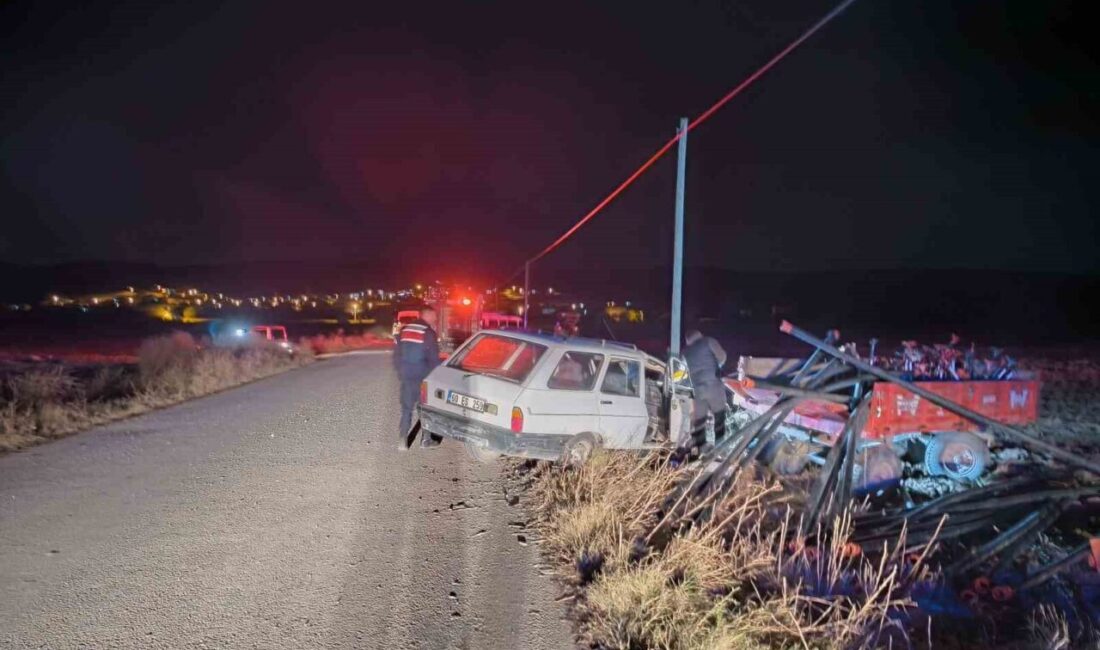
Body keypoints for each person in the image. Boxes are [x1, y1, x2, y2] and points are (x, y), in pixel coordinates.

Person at [394, 307, 441, 450]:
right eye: (434, 316)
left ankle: (403, 440)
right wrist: (436, 376)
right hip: (422, 376)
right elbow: (433, 359)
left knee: (406, 408)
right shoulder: (429, 333)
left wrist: (400, 371)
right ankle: (425, 440)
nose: (435, 319)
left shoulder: (405, 330)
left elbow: (397, 354)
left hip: (407, 374)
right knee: (425, 408)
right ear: (428, 316)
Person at [677, 329, 729, 457]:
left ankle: (700, 448)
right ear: (700, 335)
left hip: (697, 392)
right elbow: (722, 357)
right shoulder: (708, 341)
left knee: (699, 421)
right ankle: (720, 448)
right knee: (719, 417)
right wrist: (717, 367)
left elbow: (680, 374)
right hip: (714, 387)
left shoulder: (685, 353)